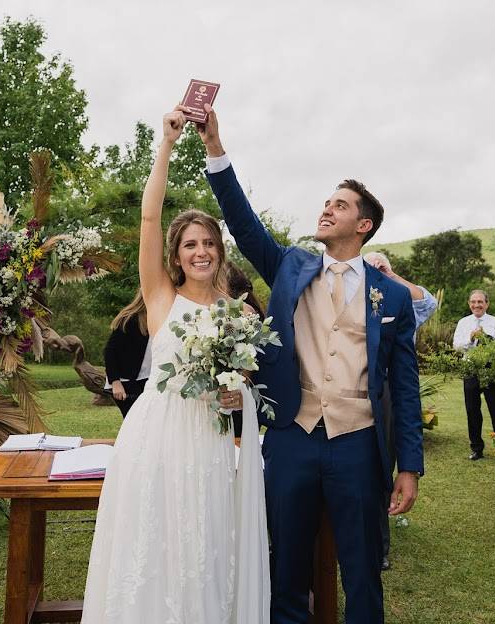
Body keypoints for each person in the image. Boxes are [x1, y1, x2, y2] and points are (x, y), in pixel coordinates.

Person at [199, 103, 422, 624]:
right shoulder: (290, 266)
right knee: (287, 566)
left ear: (363, 225)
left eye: (340, 205)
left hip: (359, 445)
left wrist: (409, 466)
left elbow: (405, 388)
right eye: (326, 201)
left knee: (363, 571)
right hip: (292, 438)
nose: (327, 209)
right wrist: (214, 146)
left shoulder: (391, 296)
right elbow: (242, 221)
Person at [80, 108, 270, 623]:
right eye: (191, 244)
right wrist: (166, 144)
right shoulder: (161, 297)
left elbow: (245, 378)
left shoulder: (238, 310)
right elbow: (148, 217)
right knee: (154, 542)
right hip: (157, 436)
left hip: (209, 441)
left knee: (204, 546)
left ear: (221, 251)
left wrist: (240, 394)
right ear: (177, 254)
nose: (201, 251)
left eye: (209, 243)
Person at [365, 252, 436, 572]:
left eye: (381, 265)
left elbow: (428, 303)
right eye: (371, 266)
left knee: (382, 465)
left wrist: (390, 275)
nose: (376, 271)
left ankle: (379, 546)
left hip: (389, 392)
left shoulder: (397, 297)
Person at [452, 289, 495, 460]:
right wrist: (470, 339)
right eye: (473, 302)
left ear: (487, 304)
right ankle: (476, 448)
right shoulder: (463, 322)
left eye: (480, 302)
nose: (476, 305)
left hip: (492, 370)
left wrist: (484, 337)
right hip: (470, 369)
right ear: (469, 304)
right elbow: (456, 347)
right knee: (472, 410)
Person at [226, 262, 266, 437]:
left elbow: (246, 374)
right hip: (241, 403)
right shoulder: (255, 310)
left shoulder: (242, 313)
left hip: (235, 403)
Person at [102, 289, 152, 417]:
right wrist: (115, 382)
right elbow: (110, 351)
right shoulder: (130, 319)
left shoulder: (160, 317)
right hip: (124, 380)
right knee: (136, 422)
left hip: (146, 379)